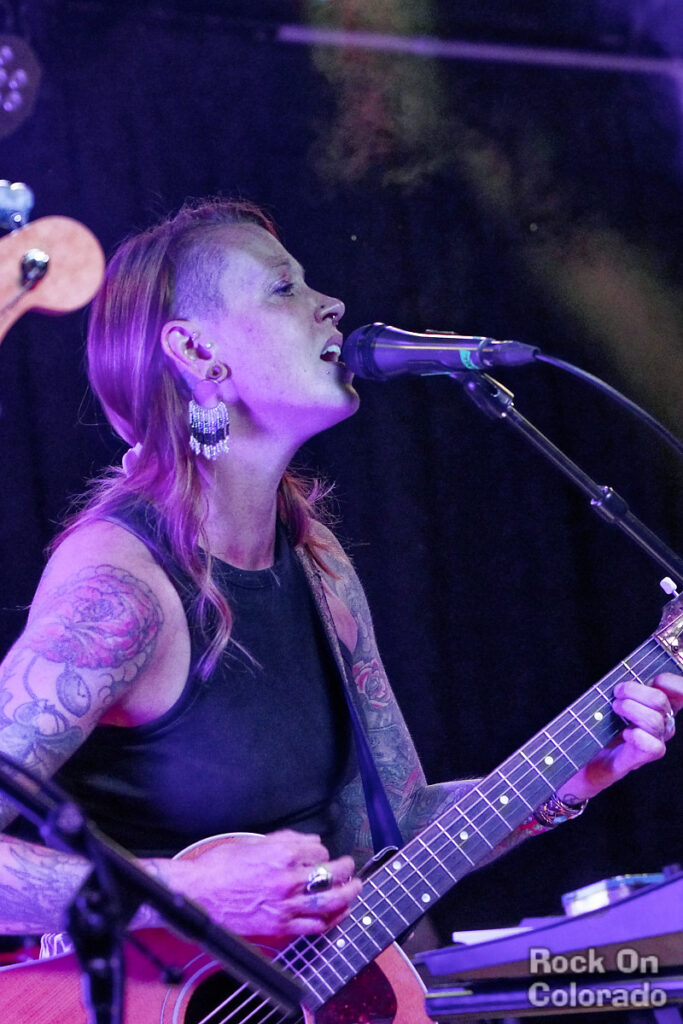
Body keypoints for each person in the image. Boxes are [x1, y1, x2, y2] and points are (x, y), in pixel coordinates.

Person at [0, 198, 680, 950]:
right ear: (196, 351)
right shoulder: (120, 588)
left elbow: (397, 831)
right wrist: (188, 894)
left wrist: (574, 776)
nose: (332, 305)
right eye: (283, 287)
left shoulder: (315, 560)